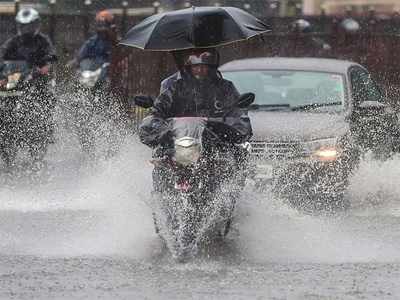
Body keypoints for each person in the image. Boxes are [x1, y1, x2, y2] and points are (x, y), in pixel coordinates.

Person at [139, 48, 252, 191]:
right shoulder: (175, 88)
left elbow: (239, 116)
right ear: (188, 67)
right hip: (178, 143)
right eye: (196, 66)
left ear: (212, 67)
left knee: (235, 156)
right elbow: (157, 113)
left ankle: (231, 195)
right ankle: (160, 197)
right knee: (160, 157)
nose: (200, 70)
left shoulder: (226, 88)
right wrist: (158, 127)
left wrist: (223, 124)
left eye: (205, 66)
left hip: (213, 144)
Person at [0, 8, 57, 77]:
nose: (26, 29)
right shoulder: (14, 41)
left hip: (37, 76)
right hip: (15, 76)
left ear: (36, 25)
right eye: (23, 26)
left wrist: (46, 66)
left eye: (29, 26)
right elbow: (2, 53)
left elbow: (51, 54)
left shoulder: (43, 40)